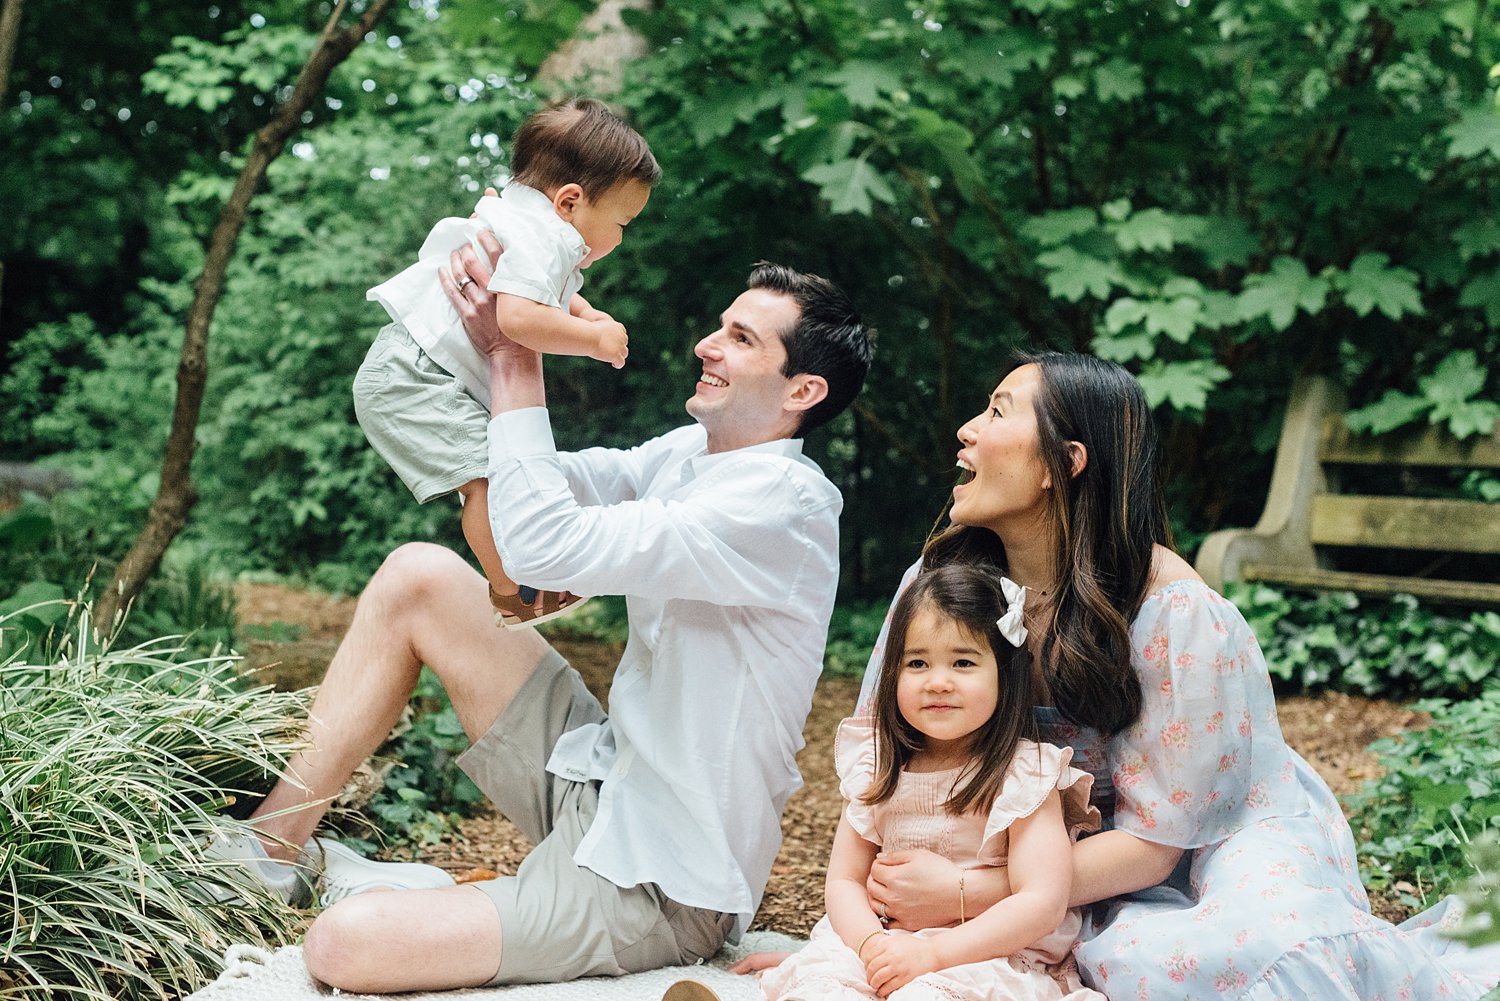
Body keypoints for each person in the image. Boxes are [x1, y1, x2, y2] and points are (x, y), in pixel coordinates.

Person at [204, 251, 874, 994]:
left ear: (802, 390)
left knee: (345, 946)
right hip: (598, 777)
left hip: (661, 882)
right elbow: (554, 480)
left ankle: (407, 896)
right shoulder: (697, 452)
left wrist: (514, 349)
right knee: (418, 577)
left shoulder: (784, 504)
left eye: (742, 339)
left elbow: (548, 548)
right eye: (721, 327)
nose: (706, 346)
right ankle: (268, 851)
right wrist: (497, 313)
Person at [736, 353, 1499, 999]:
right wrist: (847, 945)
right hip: (1027, 853)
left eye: (998, 412)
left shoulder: (1173, 612)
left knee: (1251, 946)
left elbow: (1155, 845)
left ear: (1063, 465)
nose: (966, 430)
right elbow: (894, 775)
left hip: (1199, 840)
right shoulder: (940, 585)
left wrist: (970, 895)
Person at [358, 97, 658, 628]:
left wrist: (589, 317)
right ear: (569, 202)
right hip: (414, 377)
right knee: (488, 482)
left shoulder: (525, 219)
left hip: (413, 370)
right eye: (624, 222)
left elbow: (545, 299)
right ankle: (514, 590)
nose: (621, 237)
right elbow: (519, 318)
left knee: (493, 475)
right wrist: (595, 342)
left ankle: (520, 580)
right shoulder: (544, 237)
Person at [753, 563, 1103, 1001]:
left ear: (1004, 673)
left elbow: (1041, 902)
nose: (938, 682)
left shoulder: (1025, 774)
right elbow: (843, 880)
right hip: (884, 939)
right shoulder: (879, 766)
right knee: (822, 985)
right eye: (917, 662)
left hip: (983, 952)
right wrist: (871, 947)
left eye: (963, 662)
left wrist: (934, 956)